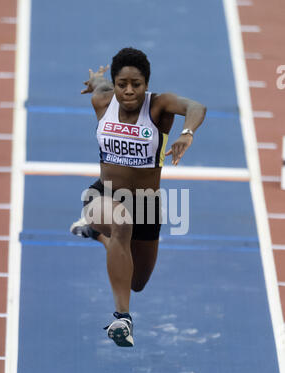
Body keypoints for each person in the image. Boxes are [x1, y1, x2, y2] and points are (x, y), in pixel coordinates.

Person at [70, 47, 206, 347]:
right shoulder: (102, 101)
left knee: (136, 282)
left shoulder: (159, 106)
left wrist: (187, 133)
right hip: (102, 196)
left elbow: (196, 106)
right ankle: (122, 318)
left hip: (146, 205)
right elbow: (101, 87)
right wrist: (96, 82)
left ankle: (96, 235)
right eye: (122, 84)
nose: (129, 91)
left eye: (137, 84)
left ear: (146, 84)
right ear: (115, 84)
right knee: (120, 223)